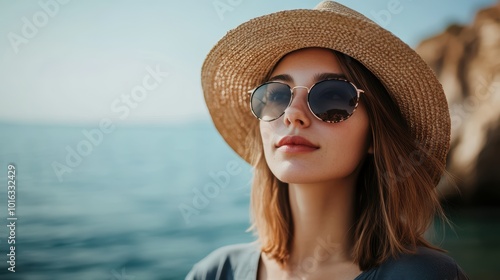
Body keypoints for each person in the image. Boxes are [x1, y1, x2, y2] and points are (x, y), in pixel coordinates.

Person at [187, 1, 469, 279]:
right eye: (275, 96)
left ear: (374, 135)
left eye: (333, 96)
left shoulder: (425, 275)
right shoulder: (215, 272)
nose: (292, 114)